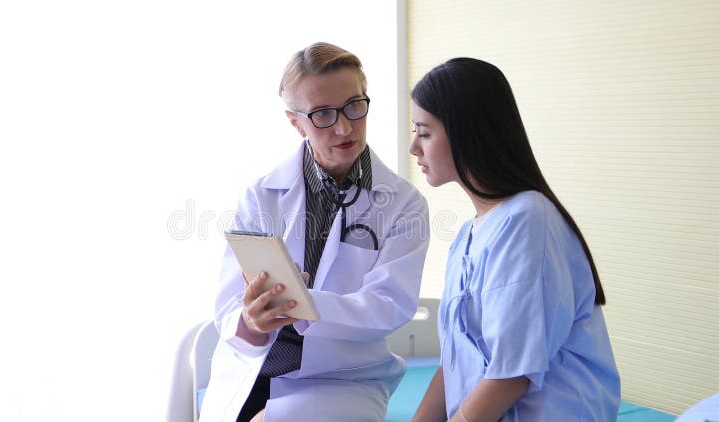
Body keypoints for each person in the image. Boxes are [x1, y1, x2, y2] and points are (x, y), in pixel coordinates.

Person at [199, 42, 430, 422]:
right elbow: (227, 304)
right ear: (295, 121)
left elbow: (390, 305)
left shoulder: (404, 204)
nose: (344, 126)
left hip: (339, 379)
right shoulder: (261, 197)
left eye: (354, 106)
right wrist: (251, 323)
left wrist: (302, 304)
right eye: (322, 113)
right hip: (253, 369)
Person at [408, 58, 621, 421]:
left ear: (466, 132)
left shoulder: (527, 220)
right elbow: (454, 365)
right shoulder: (467, 235)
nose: (414, 147)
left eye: (425, 132)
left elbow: (511, 374)